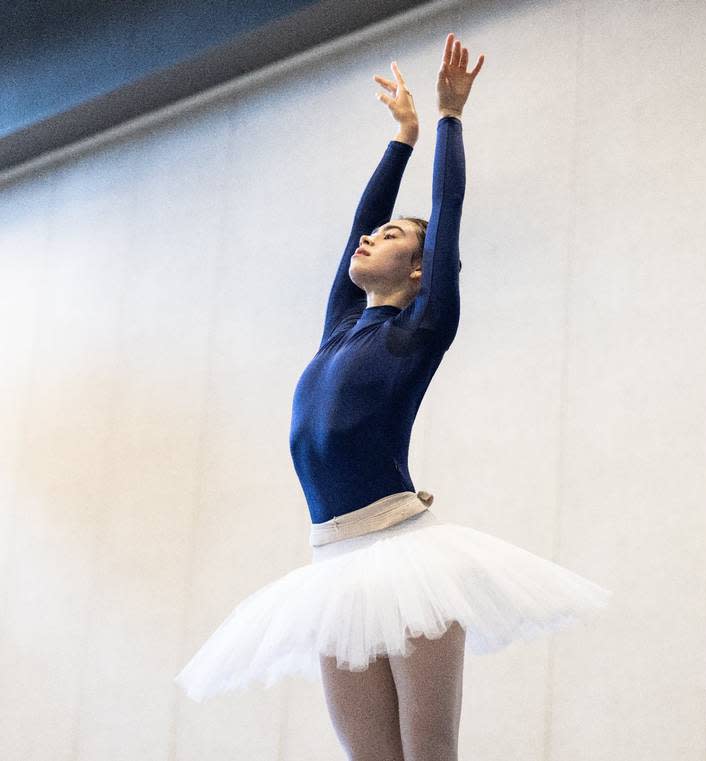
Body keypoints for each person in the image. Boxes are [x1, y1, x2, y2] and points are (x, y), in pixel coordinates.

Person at [174, 33, 612, 761]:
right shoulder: (339, 326)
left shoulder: (422, 326)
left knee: (427, 751)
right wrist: (399, 139)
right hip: (333, 568)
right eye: (371, 234)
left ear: (418, 272)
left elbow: (448, 210)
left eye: (390, 237)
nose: (368, 239)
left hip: (406, 558)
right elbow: (357, 223)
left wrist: (447, 119)